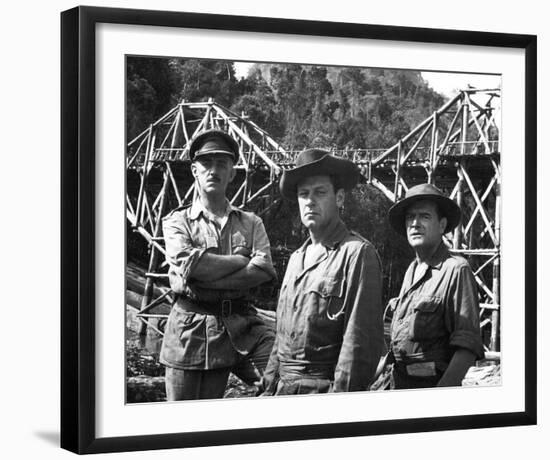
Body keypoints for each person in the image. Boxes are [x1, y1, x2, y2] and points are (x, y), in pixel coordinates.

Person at [159, 129, 277, 400]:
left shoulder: (250, 222)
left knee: (284, 377)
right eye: (206, 163)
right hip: (189, 333)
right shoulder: (177, 221)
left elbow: (264, 269)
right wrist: (239, 261)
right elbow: (191, 265)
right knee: (181, 423)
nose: (214, 170)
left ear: (232, 173)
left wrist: (202, 278)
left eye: (222, 164)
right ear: (194, 170)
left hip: (240, 328)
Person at [259, 148, 386, 395]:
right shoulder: (296, 259)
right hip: (281, 391)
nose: (310, 201)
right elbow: (280, 341)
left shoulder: (357, 254)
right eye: (303, 194)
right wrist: (266, 388)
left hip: (322, 393)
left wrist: (336, 406)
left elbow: (358, 345)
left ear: (339, 198)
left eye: (320, 192)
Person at [379, 183, 485, 389]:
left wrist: (439, 399)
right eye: (410, 217)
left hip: (430, 385)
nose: (415, 224)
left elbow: (467, 347)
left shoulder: (455, 269)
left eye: (424, 216)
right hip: (397, 383)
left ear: (442, 225)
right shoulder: (412, 270)